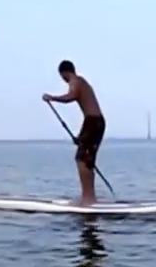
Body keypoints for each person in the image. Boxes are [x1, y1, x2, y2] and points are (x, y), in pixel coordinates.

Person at [42, 60, 106, 206]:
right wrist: (80, 137)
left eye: (62, 77)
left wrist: (52, 98)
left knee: (82, 159)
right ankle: (90, 197)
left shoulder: (75, 81)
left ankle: (88, 198)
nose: (63, 80)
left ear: (64, 73)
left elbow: (71, 96)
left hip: (93, 122)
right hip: (94, 122)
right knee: (87, 159)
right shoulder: (81, 81)